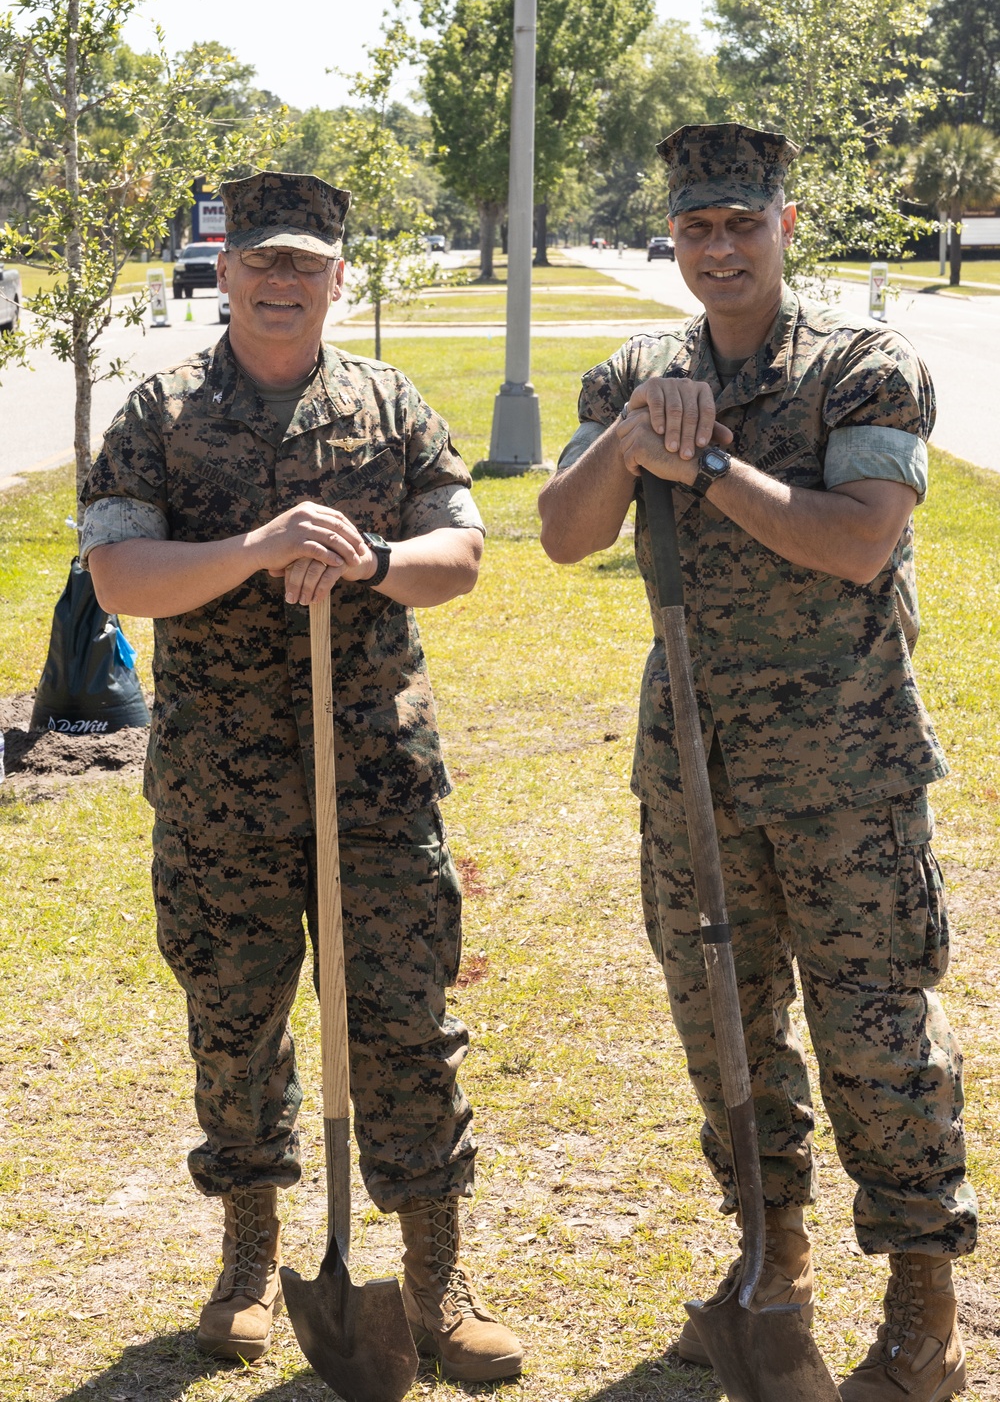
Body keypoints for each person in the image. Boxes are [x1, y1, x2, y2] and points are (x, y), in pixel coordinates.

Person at [538, 124, 976, 1402]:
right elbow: (565, 537)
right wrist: (628, 444)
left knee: (875, 1032)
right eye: (695, 228)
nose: (719, 248)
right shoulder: (640, 369)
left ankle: (921, 1315)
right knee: (724, 1032)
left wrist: (712, 463)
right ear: (672, 240)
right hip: (692, 767)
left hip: (844, 774)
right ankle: (766, 1268)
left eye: (742, 224)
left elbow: (853, 543)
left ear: (786, 227)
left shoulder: (861, 368)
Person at [82, 171, 523, 1381]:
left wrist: (374, 558)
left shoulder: (387, 405)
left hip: (374, 775)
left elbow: (462, 552)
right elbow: (121, 581)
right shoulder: (161, 412)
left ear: (340, 279)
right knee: (236, 1027)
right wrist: (259, 548)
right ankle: (247, 1259)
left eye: (306, 264)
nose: (282, 282)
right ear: (224, 272)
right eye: (261, 262)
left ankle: (435, 1277)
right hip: (223, 786)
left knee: (407, 1030)